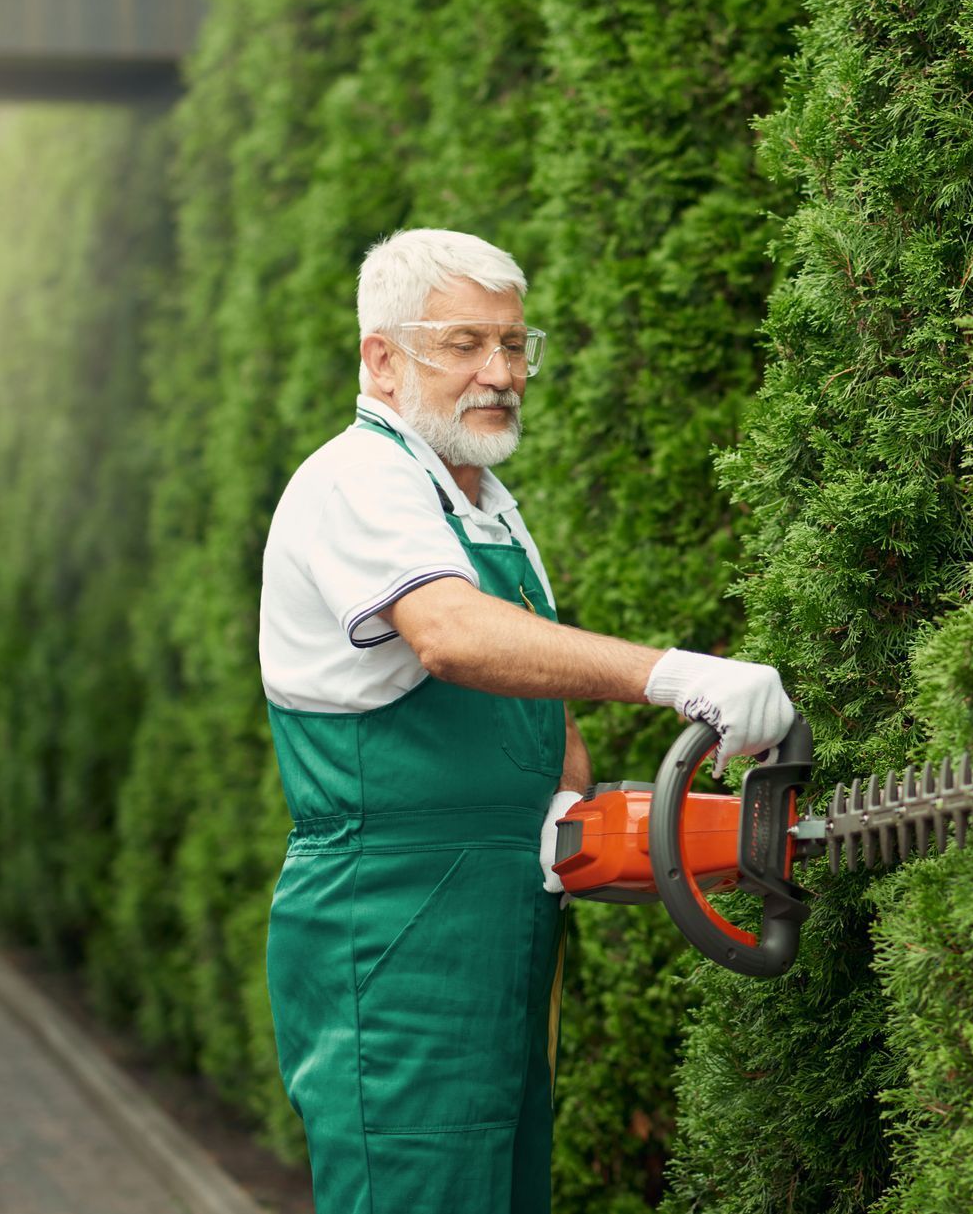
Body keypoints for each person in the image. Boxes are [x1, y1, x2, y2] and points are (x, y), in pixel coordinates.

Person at [258, 228, 793, 1214]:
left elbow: (536, 707)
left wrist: (580, 821)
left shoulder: (484, 504)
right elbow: (454, 636)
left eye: (513, 345)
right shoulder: (356, 481)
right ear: (381, 357)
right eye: (462, 344)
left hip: (503, 924)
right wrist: (673, 674)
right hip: (394, 928)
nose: (498, 373)